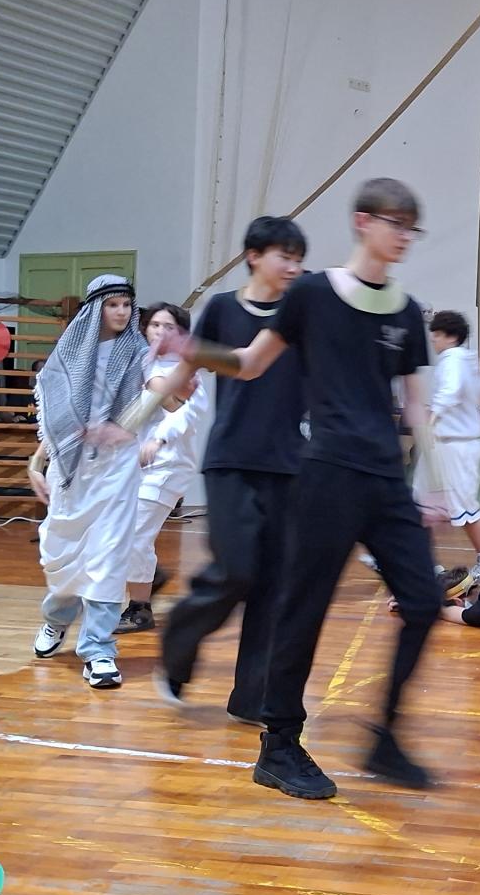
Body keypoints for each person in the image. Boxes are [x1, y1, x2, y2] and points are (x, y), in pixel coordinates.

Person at [165, 178, 447, 800]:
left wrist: (437, 486)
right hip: (327, 475)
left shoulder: (405, 312)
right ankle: (279, 746)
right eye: (396, 224)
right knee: (303, 609)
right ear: (363, 221)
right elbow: (250, 363)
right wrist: (194, 349)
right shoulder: (313, 295)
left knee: (425, 601)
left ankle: (386, 737)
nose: (405, 237)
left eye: (412, 228)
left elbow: (416, 408)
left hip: (386, 480)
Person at [154, 217, 307, 722]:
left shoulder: (300, 314)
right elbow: (183, 372)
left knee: (272, 586)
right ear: (254, 256)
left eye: (298, 258)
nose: (293, 266)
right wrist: (131, 423)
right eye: (284, 256)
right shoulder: (222, 307)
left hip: (287, 464)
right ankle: (178, 644)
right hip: (231, 460)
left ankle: (252, 698)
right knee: (235, 570)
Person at [28, 275, 188, 690]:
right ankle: (56, 619)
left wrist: (168, 376)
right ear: (95, 309)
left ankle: (98, 649)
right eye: (112, 304)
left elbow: (171, 399)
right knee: (63, 558)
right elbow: (58, 419)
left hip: (117, 471)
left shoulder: (140, 354)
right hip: (70, 473)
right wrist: (36, 462)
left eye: (126, 305)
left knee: (109, 558)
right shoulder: (66, 356)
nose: (120, 311)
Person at [114, 302, 210, 635]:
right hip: (137, 465)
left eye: (169, 327)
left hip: (169, 464)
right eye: (155, 325)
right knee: (124, 534)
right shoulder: (142, 363)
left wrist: (159, 439)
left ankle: (140, 610)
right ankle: (149, 577)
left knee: (135, 536)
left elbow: (188, 413)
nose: (160, 331)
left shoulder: (187, 369)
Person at [413, 309, 480, 585]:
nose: (433, 340)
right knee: (420, 503)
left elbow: (449, 392)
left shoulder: (452, 359)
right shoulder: (467, 361)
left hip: (456, 447)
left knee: (465, 507)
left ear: (451, 337)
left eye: (437, 335)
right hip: (445, 444)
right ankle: (419, 561)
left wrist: (432, 416)